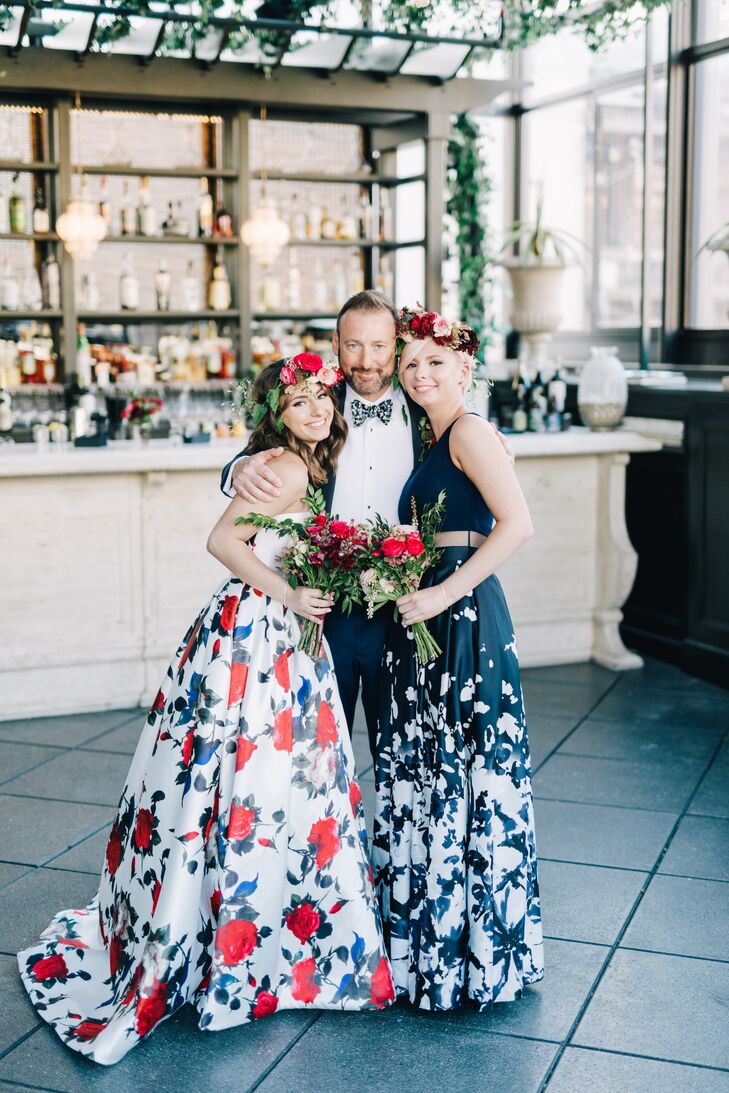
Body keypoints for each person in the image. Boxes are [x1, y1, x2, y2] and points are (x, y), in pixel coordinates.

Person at [18, 356, 393, 1067]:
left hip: (282, 632)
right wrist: (288, 591)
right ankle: (249, 935)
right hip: (260, 631)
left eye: (321, 397)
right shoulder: (282, 467)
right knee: (255, 771)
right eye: (300, 400)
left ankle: (251, 921)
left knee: (271, 775)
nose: (316, 409)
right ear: (276, 413)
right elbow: (223, 541)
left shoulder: (305, 461)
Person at [222, 291, 513, 756]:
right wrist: (238, 467)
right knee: (312, 744)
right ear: (336, 344)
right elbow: (267, 445)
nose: (366, 360)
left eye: (379, 346)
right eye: (353, 345)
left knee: (399, 747)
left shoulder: (426, 407)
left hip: (398, 605)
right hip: (321, 600)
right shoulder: (315, 401)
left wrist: (493, 440)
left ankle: (389, 830)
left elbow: (468, 436)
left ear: (396, 347)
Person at [373, 306, 544, 1012]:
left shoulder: (469, 431)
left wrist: (443, 591)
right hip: (426, 617)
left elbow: (517, 524)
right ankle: (432, 947)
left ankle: (468, 954)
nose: (418, 372)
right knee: (434, 771)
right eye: (408, 363)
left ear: (463, 368)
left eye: (433, 361)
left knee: (464, 767)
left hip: (464, 616)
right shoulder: (429, 435)